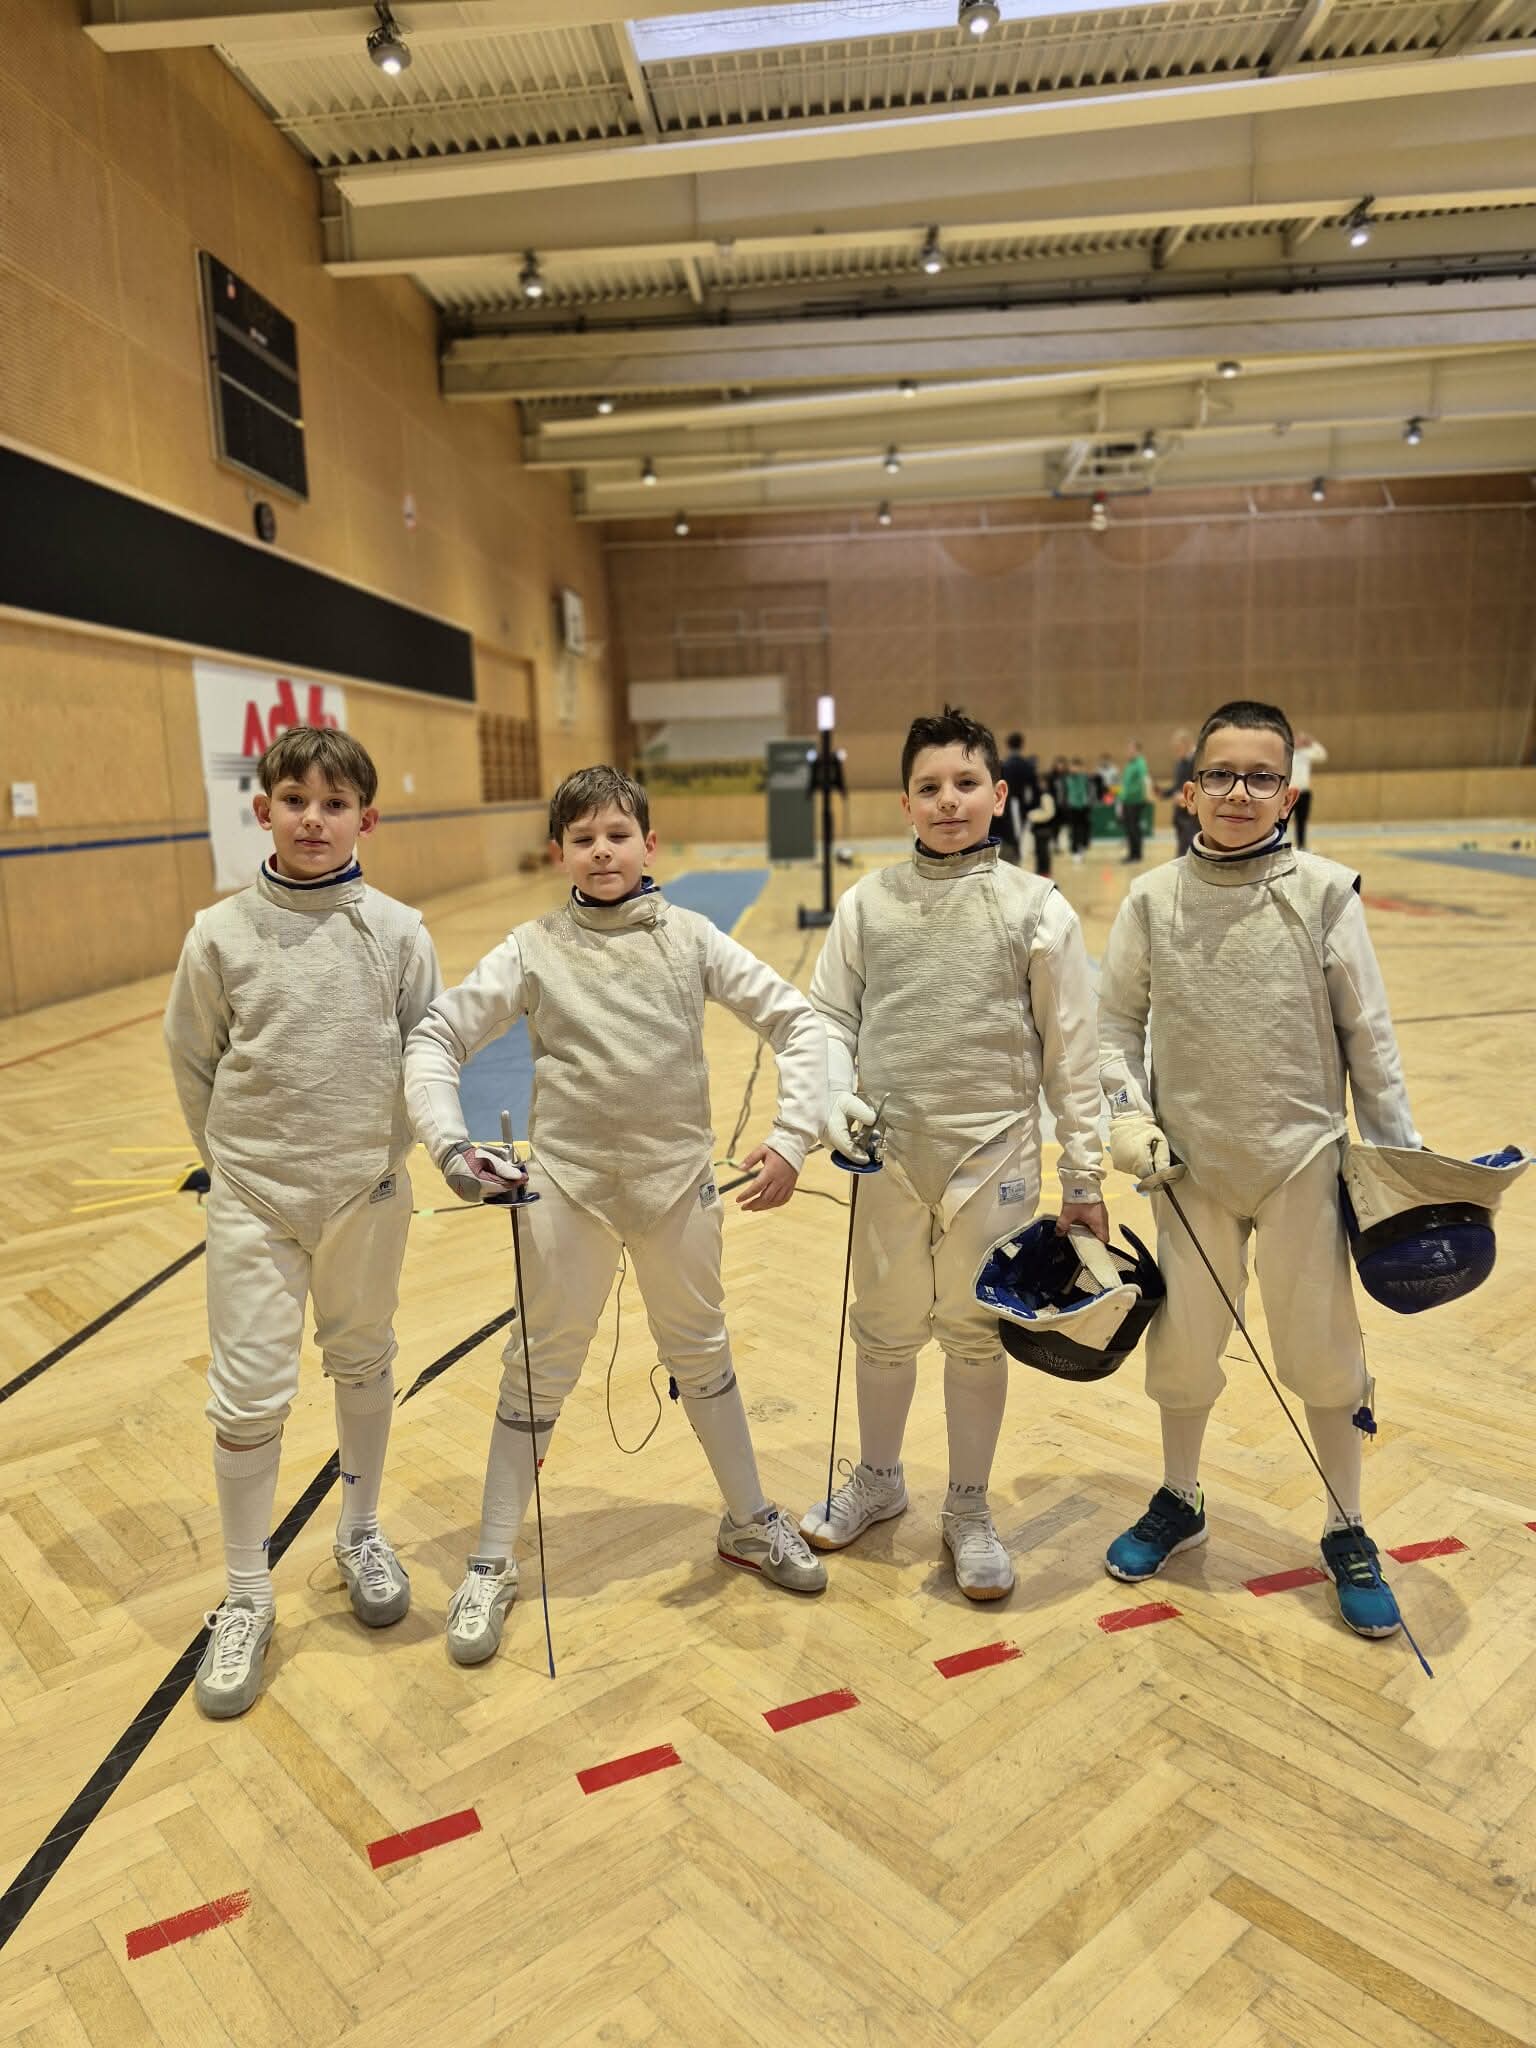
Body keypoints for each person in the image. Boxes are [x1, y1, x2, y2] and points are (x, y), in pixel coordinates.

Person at [405, 765, 830, 1666]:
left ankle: (750, 1521)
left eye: (617, 835)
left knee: (702, 1354)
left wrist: (795, 1136)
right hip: (568, 1189)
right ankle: (490, 1560)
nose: (602, 852)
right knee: (536, 1371)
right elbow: (435, 1035)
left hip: (678, 1187)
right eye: (583, 838)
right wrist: (450, 1147)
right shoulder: (531, 948)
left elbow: (798, 1022)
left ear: (649, 845)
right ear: (559, 852)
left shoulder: (692, 938)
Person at [1097, 699, 1421, 1640]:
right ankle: (1180, 1497)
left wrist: (1398, 1173)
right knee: (1183, 1347)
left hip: (1300, 1160)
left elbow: (1370, 1038)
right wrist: (1128, 1117)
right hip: (1189, 1165)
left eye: (1261, 777)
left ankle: (1347, 1525)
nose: (1239, 793)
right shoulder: (1152, 900)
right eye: (1221, 775)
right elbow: (1113, 1025)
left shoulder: (1323, 894)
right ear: (1190, 788)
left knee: (1324, 1350)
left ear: (1288, 792)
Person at [164, 727, 443, 1719]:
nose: (313, 820)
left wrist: (412, 1152)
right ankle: (246, 1592)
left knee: (363, 1358)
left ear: (368, 818)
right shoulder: (218, 933)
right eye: (295, 801)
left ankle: (359, 1530)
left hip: (366, 1191)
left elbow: (428, 1054)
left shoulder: (400, 932)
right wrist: (237, 1166)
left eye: (334, 804)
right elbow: (192, 1057)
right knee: (246, 1399)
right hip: (254, 1196)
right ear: (264, 811)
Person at [797, 706, 1106, 1600]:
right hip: (890, 1155)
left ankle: (968, 1507)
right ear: (905, 802)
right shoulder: (867, 903)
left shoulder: (1036, 908)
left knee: (974, 1335)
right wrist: (834, 1095)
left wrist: (1084, 1174)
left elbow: (1071, 1053)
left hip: (994, 1155)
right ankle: (879, 1480)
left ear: (998, 794)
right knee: (883, 1326)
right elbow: (828, 1016)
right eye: (929, 787)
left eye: (965, 784)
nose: (948, 801)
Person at [997, 731, 1039, 868]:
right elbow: (1034, 790)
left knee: (1013, 834)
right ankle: (1015, 860)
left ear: (1007, 745)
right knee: (1018, 835)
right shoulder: (1027, 766)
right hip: (1020, 805)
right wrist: (1032, 806)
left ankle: (1014, 860)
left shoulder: (1005, 765)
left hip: (1007, 804)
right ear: (1022, 745)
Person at [1160, 728, 1197, 857]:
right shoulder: (1179, 763)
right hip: (1180, 813)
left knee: (1188, 847)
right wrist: (1163, 793)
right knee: (1181, 848)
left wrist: (1186, 796)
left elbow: (1200, 784)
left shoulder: (1197, 761)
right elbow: (1177, 786)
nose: (1175, 750)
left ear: (1187, 743)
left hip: (1191, 814)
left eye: (1178, 747)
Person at [1290, 730, 1328, 849]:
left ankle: (1301, 846)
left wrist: (1312, 742)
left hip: (1304, 792)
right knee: (1283, 821)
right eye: (1296, 739)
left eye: (1301, 740)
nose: (1298, 742)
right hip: (1289, 793)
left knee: (1301, 821)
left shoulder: (1306, 753)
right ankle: (1281, 846)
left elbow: (1322, 755)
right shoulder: (1287, 754)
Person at [1118, 740, 1150, 864]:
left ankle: (1136, 855)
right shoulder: (1129, 764)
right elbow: (1126, 783)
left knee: (1134, 828)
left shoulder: (1140, 763)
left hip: (1136, 800)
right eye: (1128, 749)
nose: (1128, 751)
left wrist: (1146, 795)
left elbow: (1145, 779)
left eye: (1131, 749)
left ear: (1137, 750)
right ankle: (1131, 854)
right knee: (1129, 828)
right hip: (1126, 800)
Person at [1063, 757, 1095, 862]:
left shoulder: (1086, 778)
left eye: (1077, 767)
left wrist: (1090, 804)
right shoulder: (1067, 779)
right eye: (1073, 766)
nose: (1074, 769)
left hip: (1084, 808)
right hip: (1072, 808)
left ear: (1081, 768)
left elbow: (1091, 792)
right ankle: (1075, 851)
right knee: (1074, 830)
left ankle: (1082, 847)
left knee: (1084, 830)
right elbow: (1064, 793)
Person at [1028, 781, 1057, 877]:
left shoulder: (1046, 796)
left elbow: (1049, 813)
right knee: (1039, 851)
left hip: (1044, 829)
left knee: (1043, 851)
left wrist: (1033, 815)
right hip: (1039, 829)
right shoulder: (1039, 796)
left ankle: (1044, 872)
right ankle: (1041, 871)